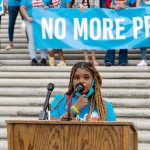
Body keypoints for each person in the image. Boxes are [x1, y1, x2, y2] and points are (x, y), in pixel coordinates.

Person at [50, 62, 116, 121]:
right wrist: (74, 110)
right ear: (72, 81)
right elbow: (51, 129)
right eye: (77, 77)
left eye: (86, 78)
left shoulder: (105, 107)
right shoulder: (60, 100)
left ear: (94, 81)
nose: (81, 81)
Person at [104, 0, 136, 66]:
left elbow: (134, 8)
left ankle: (123, 61)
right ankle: (109, 60)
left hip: (125, 21)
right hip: (113, 21)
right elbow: (107, 5)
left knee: (124, 40)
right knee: (112, 39)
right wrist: (113, 6)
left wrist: (125, 6)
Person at [44, 0, 72, 66]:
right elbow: (45, 4)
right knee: (58, 39)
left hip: (63, 20)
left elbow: (68, 9)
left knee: (61, 39)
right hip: (53, 20)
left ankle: (52, 54)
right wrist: (47, 7)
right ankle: (62, 60)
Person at [20, 0, 47, 66]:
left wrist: (46, 7)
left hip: (41, 21)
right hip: (31, 21)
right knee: (31, 39)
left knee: (42, 39)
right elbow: (22, 7)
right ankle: (33, 58)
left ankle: (43, 58)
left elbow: (47, 6)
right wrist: (27, 17)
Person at [73, 0, 100, 66]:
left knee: (92, 39)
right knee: (83, 38)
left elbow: (97, 8)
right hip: (81, 19)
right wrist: (78, 6)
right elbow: (73, 8)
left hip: (91, 19)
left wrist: (87, 10)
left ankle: (94, 58)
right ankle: (86, 57)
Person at [136, 0, 149, 66]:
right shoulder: (140, 1)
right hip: (144, 23)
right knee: (143, 41)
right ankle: (143, 60)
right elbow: (136, 10)